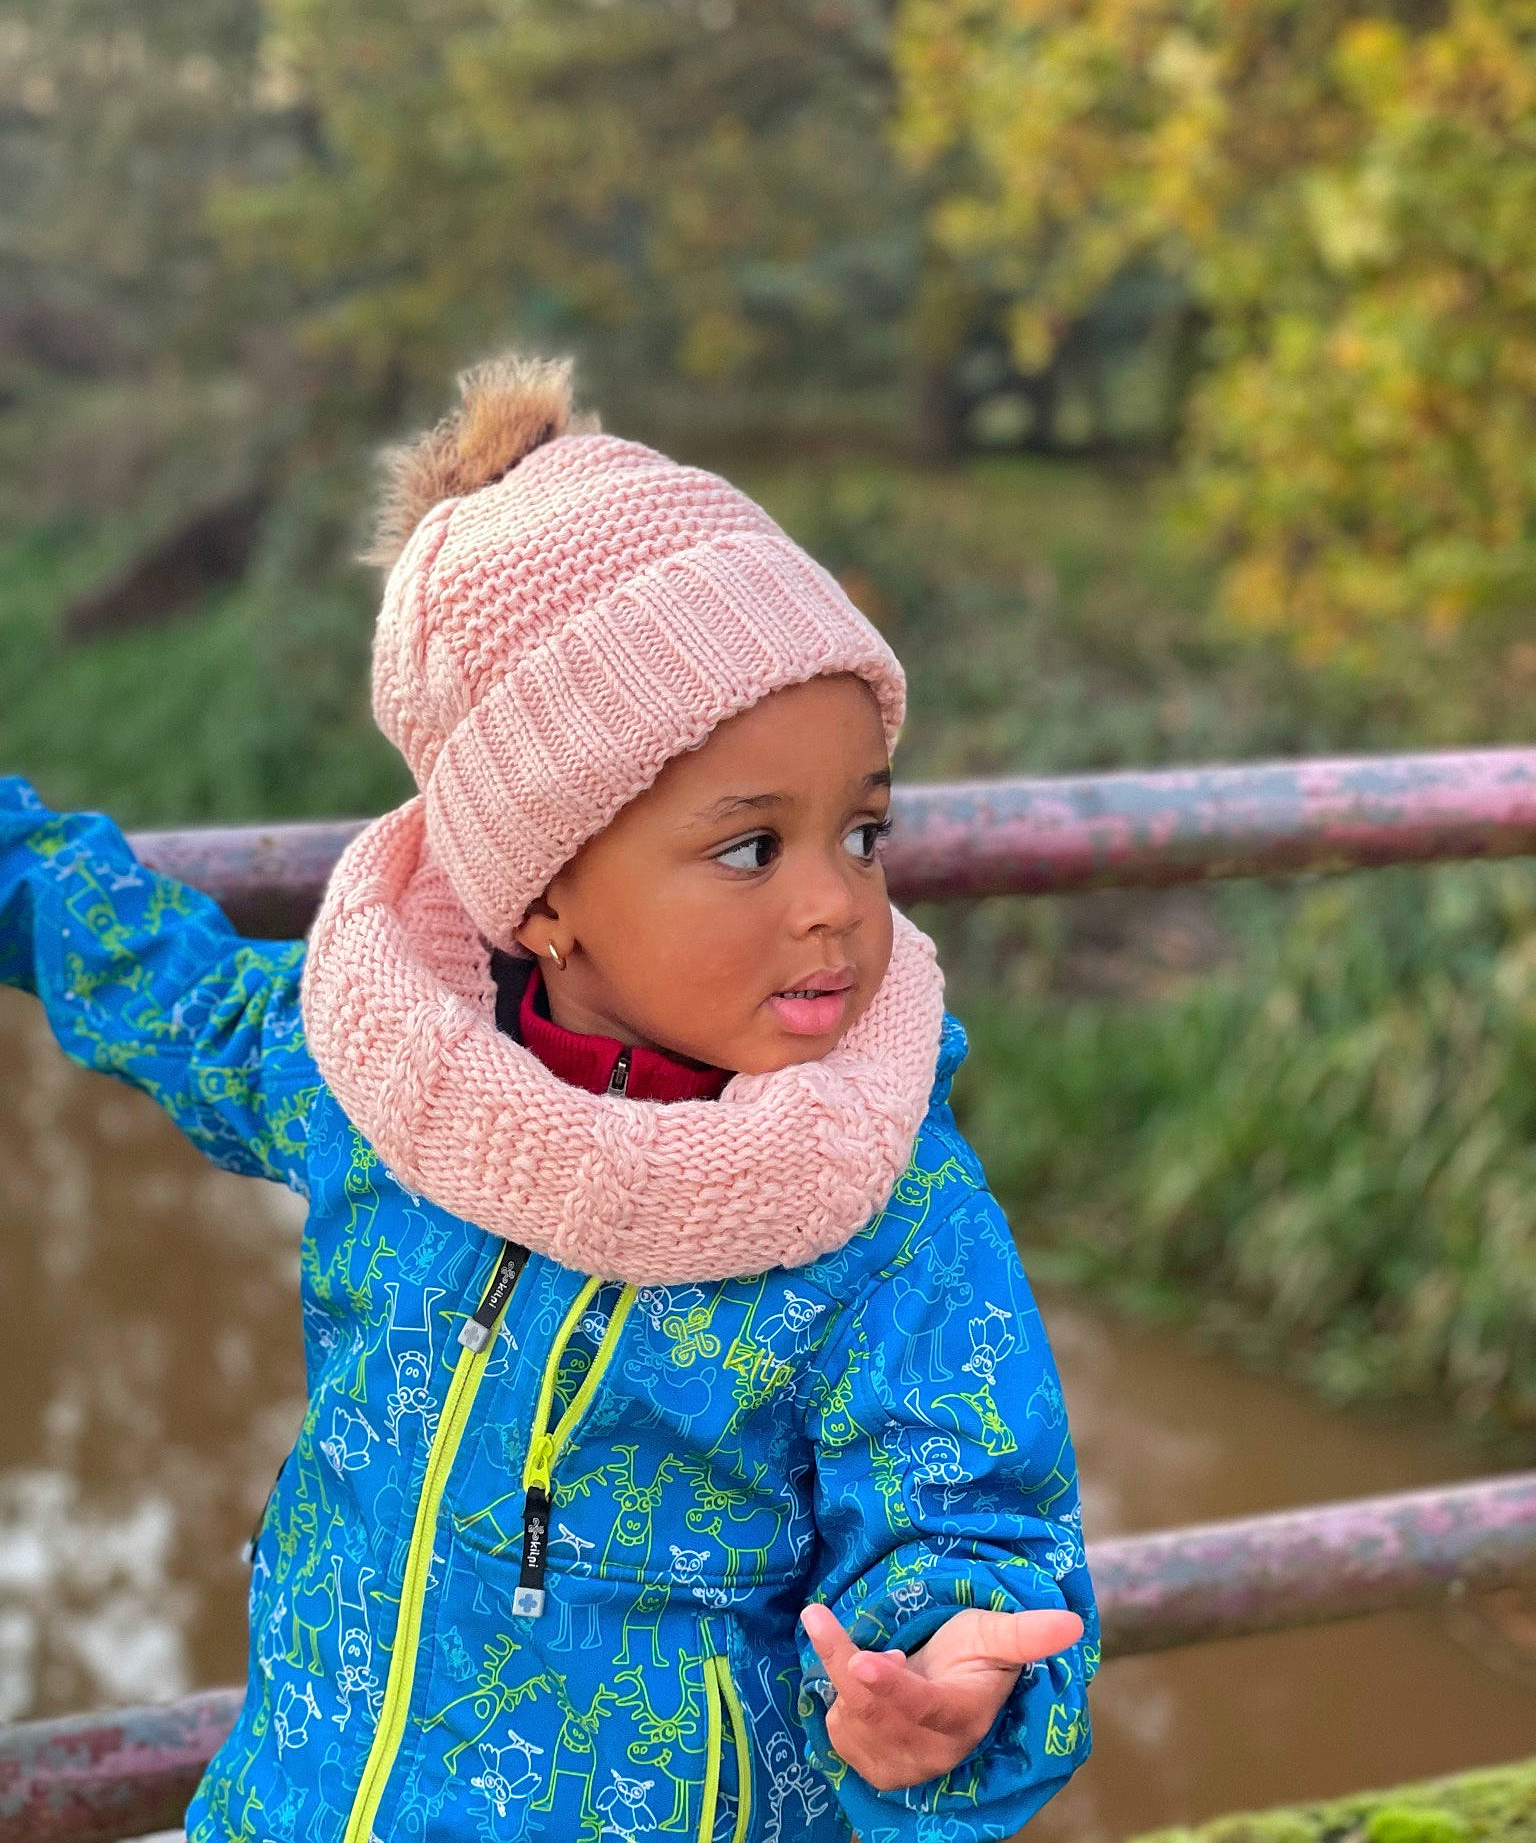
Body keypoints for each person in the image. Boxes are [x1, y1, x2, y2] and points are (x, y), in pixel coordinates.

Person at [0, 354, 1096, 1843]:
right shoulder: (377, 1078)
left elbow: (971, 1518)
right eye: (753, 848)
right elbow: (158, 984)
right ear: (546, 893)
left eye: (864, 829)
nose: (838, 903)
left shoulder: (878, 1202)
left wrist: (943, 1677)